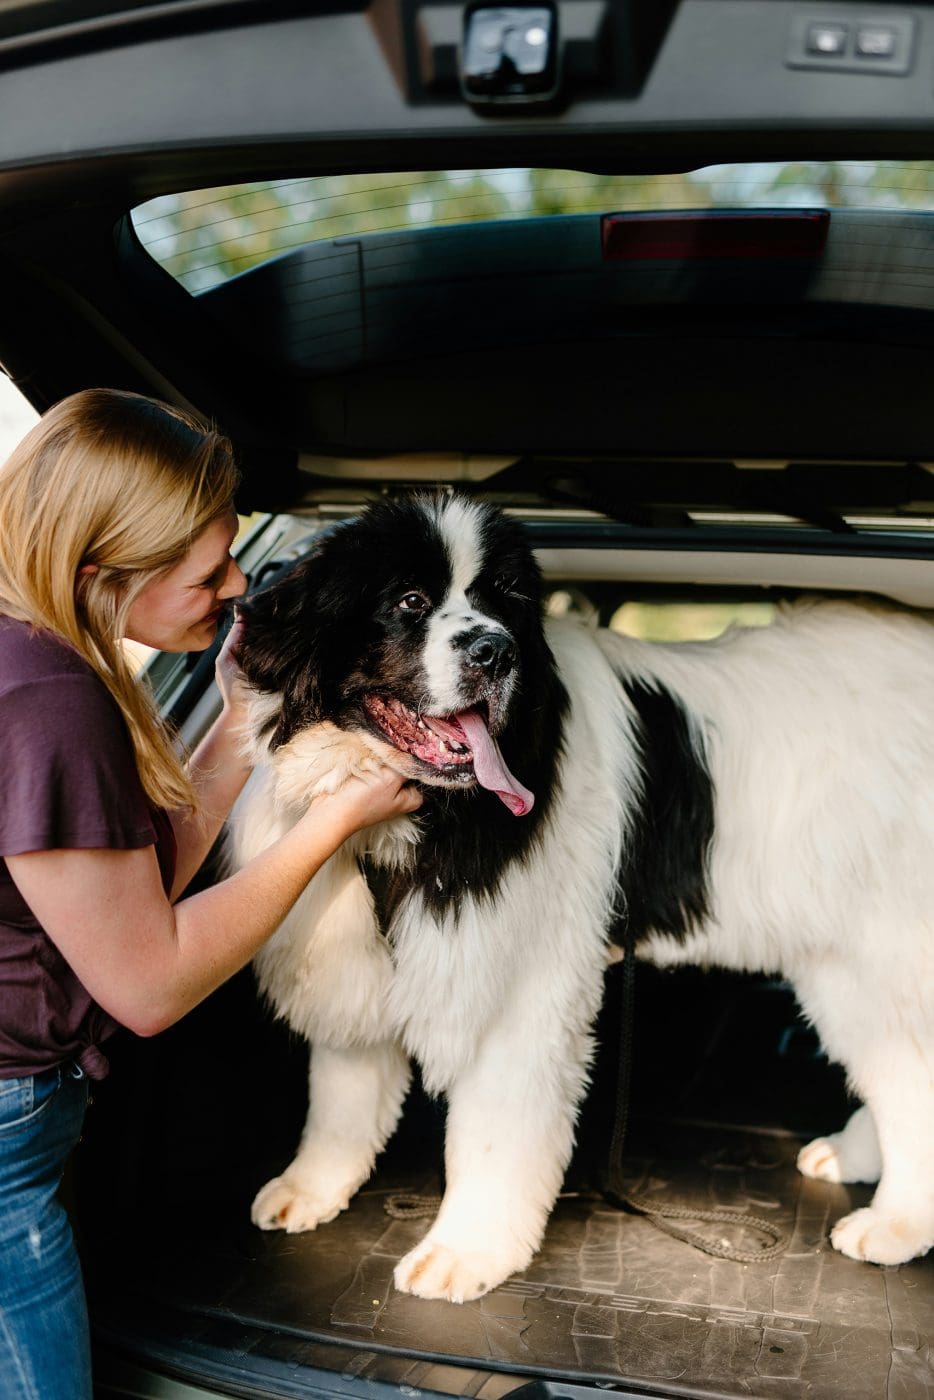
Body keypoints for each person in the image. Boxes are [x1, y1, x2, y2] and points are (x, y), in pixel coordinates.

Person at [0, 387, 422, 1400]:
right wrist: (333, 820)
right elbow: (148, 982)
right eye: (206, 570)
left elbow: (124, 892)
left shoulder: (25, 657)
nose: (235, 585)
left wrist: (237, 724)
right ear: (99, 574)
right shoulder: (52, 701)